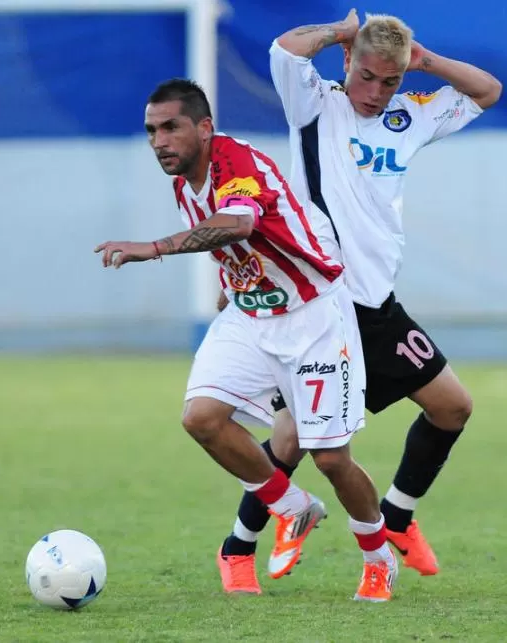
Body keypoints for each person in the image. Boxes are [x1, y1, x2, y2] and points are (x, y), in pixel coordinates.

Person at [215, 10, 503, 591]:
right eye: (366, 76)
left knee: (452, 408)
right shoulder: (317, 104)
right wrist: (344, 32)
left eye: (388, 80)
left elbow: (488, 90)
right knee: (295, 437)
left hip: (378, 306)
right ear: (346, 63)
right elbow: (286, 49)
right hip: (320, 302)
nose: (374, 92)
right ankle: (236, 549)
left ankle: (396, 517)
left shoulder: (410, 115)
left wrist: (425, 62)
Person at [95, 78, 398, 601]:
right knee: (202, 418)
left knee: (331, 459)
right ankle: (293, 507)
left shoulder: (233, 159)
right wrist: (229, 280)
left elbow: (236, 224)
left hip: (314, 317)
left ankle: (378, 558)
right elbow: (238, 243)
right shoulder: (183, 184)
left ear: (204, 127)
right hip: (250, 315)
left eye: (171, 127)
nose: (159, 141)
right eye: (151, 131)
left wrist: (152, 247)